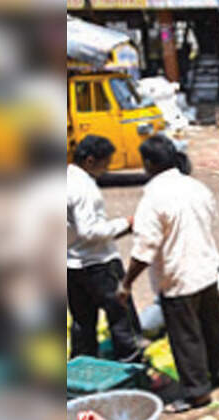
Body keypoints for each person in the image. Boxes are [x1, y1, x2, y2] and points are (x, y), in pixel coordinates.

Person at [117, 135, 219, 413]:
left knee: (185, 338)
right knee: (212, 327)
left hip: (178, 277)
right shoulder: (195, 187)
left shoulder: (153, 197)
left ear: (149, 163)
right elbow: (209, 218)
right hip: (206, 270)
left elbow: (145, 247)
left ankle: (197, 392)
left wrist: (126, 283)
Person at [67, 135, 141, 362]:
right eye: (105, 162)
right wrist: (126, 224)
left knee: (82, 321)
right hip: (98, 263)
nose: (107, 168)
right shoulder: (84, 188)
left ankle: (83, 365)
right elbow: (90, 231)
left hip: (71, 263)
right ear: (90, 160)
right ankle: (130, 363)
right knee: (121, 316)